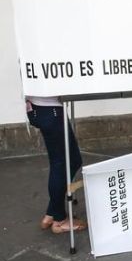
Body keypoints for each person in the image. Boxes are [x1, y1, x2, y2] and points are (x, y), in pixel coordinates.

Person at [26, 96, 87, 234]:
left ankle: (51, 213)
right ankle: (59, 220)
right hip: (49, 109)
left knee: (62, 162)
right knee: (65, 163)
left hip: (38, 108)